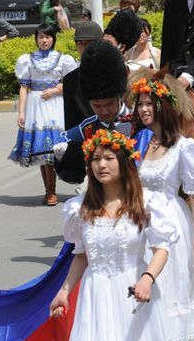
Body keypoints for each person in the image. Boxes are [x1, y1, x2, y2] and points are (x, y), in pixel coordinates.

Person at [50, 130, 193, 341]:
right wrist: (64, 291)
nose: (101, 165)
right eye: (96, 159)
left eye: (108, 158)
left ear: (123, 162)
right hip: (95, 298)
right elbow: (81, 256)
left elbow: (162, 248)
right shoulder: (80, 209)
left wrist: (147, 277)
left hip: (134, 298)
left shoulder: (145, 203)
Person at [131, 73, 194, 341]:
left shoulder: (183, 146)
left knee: (171, 289)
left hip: (170, 221)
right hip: (139, 222)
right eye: (140, 104)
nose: (143, 109)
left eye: (149, 104)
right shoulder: (139, 144)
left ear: (163, 107)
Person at [9, 24, 78, 206]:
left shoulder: (63, 59)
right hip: (36, 106)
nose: (44, 40)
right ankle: (50, 190)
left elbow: (72, 84)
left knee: (55, 149)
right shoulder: (27, 59)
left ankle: (54, 188)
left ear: (53, 39)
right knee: (41, 151)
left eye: (48, 37)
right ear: (36, 38)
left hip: (56, 106)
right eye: (41, 37)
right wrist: (21, 112)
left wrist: (56, 90)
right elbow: (24, 87)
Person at [54, 40, 133, 185]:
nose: (104, 111)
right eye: (97, 106)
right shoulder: (85, 130)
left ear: (119, 96)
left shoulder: (138, 125)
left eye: (109, 104)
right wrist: (64, 158)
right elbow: (73, 177)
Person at [63, 21, 104, 130]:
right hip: (84, 140)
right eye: (81, 43)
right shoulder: (70, 80)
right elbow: (70, 121)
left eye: (90, 43)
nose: (85, 48)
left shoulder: (115, 73)